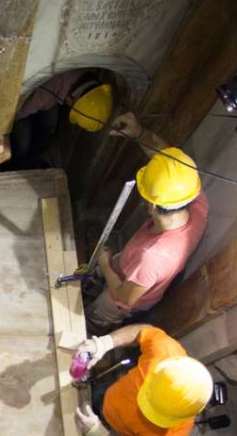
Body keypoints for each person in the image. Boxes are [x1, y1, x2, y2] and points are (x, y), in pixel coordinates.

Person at [84, 112, 209, 334]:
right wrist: (139, 132)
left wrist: (104, 264)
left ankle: (88, 326)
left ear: (151, 206)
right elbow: (167, 164)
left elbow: (124, 297)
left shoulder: (153, 256)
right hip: (130, 264)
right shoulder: (195, 202)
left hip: (120, 298)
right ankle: (89, 286)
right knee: (100, 273)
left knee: (96, 314)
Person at [72, 323, 212, 436]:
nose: (142, 409)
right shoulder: (164, 352)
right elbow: (143, 331)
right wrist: (103, 343)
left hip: (115, 431)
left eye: (154, 413)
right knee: (97, 393)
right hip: (110, 393)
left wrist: (101, 435)